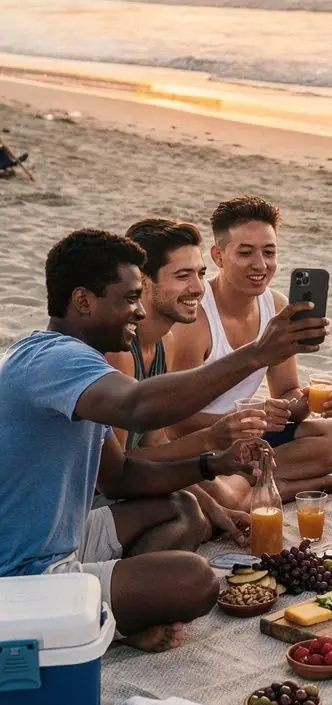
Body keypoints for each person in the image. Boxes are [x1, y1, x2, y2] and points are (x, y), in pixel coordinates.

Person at [0, 229, 327, 652]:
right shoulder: (52, 358)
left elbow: (120, 478)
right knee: (195, 580)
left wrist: (212, 465)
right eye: (129, 299)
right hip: (19, 574)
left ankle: (109, 601)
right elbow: (140, 407)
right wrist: (255, 354)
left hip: (64, 539)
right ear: (82, 301)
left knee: (180, 508)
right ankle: (84, 617)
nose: (138, 312)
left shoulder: (83, 369)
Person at [168, 195, 332, 505]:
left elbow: (287, 392)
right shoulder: (196, 319)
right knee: (222, 494)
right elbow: (174, 421)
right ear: (218, 256)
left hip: (251, 438)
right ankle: (279, 487)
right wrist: (246, 418)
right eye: (245, 252)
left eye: (269, 252)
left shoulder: (275, 307)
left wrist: (304, 402)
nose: (261, 265)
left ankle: (255, 485)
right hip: (203, 441)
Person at [107, 216, 267, 543]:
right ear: (143, 284)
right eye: (183, 276)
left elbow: (157, 444)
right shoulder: (120, 353)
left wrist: (215, 507)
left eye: (201, 274)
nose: (198, 288)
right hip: (93, 496)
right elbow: (117, 469)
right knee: (191, 517)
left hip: (132, 483)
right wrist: (210, 442)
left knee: (207, 510)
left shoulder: (163, 342)